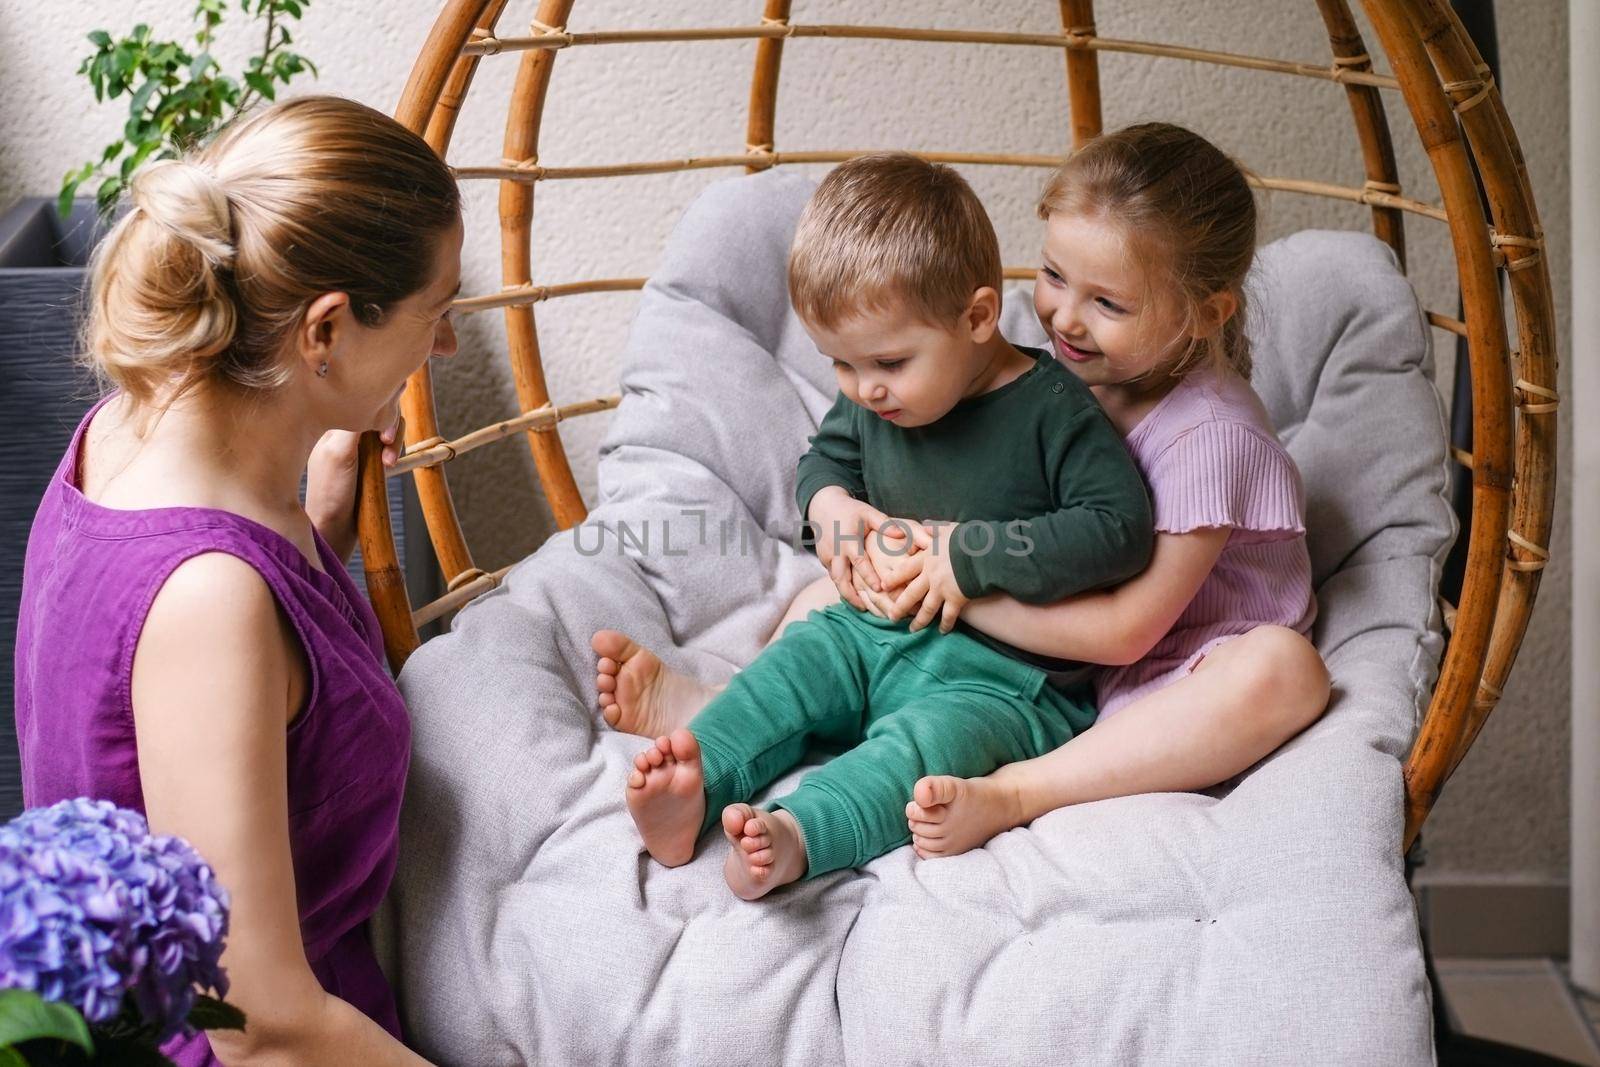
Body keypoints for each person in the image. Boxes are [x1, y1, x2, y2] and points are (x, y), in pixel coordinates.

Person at [595, 122, 1330, 866]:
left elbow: (1126, 630)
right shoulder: (1081, 374)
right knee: (829, 607)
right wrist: (841, 518)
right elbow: (848, 460)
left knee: (1285, 671)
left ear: (1205, 314)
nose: (1065, 318)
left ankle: (1016, 792)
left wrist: (956, 574)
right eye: (1052, 275)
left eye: (1108, 303)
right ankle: (720, 724)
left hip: (1163, 674)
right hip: (1027, 629)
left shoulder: (1209, 434)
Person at [12, 95, 461, 1065]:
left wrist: (322, 517)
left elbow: (243, 704)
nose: (447, 348)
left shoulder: (129, 429)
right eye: (437, 314)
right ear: (326, 329)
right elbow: (262, 1024)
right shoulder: (210, 598)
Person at [617, 152, 1154, 900]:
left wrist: (967, 557)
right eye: (840, 364)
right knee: (795, 665)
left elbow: (1118, 528)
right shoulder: (877, 399)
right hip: (875, 628)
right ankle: (698, 781)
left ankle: (799, 834)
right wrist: (827, 506)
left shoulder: (1053, 410)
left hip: (1003, 684)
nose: (865, 388)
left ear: (976, 317)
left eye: (890, 362)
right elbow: (826, 459)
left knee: (918, 752)